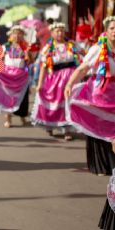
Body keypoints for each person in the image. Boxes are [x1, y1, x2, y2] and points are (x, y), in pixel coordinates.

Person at [64, 16, 115, 177]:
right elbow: (83, 69)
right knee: (98, 128)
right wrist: (69, 84)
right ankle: (100, 165)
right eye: (113, 28)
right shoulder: (98, 49)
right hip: (99, 93)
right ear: (106, 31)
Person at [31, 22, 81, 140]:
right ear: (52, 33)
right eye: (57, 31)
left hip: (70, 78)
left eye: (61, 31)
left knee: (68, 103)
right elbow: (43, 67)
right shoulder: (48, 48)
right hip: (54, 79)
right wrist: (39, 84)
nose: (60, 33)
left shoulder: (71, 45)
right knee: (54, 103)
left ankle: (67, 129)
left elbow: (83, 55)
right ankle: (51, 125)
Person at [0, 25, 31, 128]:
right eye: (15, 33)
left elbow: (30, 61)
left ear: (23, 35)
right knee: (7, 96)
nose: (17, 36)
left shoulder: (26, 47)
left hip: (21, 76)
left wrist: (28, 56)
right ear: (11, 35)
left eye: (19, 33)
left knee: (22, 98)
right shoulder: (6, 47)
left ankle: (23, 117)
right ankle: (8, 118)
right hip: (6, 76)